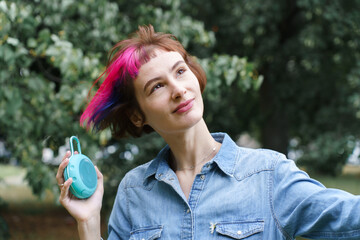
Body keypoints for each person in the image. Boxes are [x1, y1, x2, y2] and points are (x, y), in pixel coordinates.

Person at [56, 25, 360, 240]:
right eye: (157, 86)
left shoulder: (268, 175)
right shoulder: (134, 191)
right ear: (138, 115)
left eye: (179, 71)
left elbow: (349, 218)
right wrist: (89, 221)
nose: (178, 90)